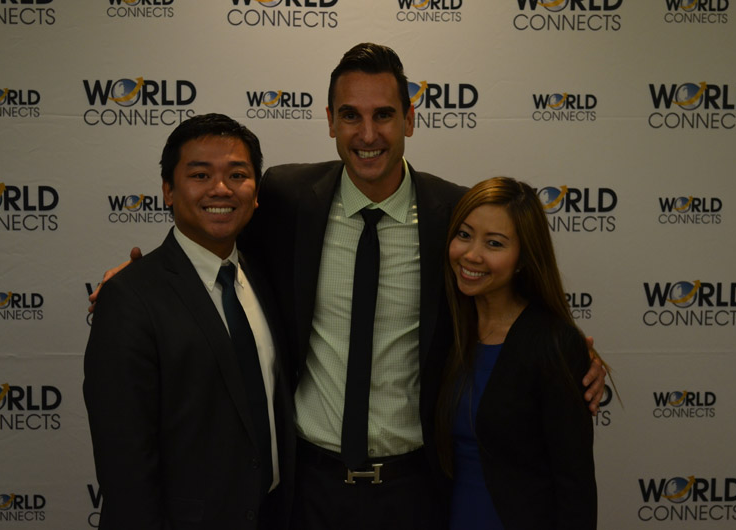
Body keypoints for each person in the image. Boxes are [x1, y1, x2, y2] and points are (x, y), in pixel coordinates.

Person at [89, 44, 606, 530]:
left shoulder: (453, 214)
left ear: (409, 119)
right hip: (307, 489)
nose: (368, 133)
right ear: (330, 121)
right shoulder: (286, 197)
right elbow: (212, 232)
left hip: (417, 489)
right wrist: (142, 280)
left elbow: (502, 296)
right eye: (351, 115)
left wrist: (566, 356)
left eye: (384, 115)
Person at [83, 114, 295, 530]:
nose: (221, 189)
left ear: (255, 194)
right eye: (200, 175)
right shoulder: (129, 297)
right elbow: (125, 464)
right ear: (168, 190)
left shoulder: (267, 278)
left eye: (237, 175)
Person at [436, 177, 597, 529]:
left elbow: (575, 486)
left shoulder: (553, 343)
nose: (472, 254)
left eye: (494, 243)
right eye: (464, 235)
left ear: (523, 257)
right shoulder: (445, 331)